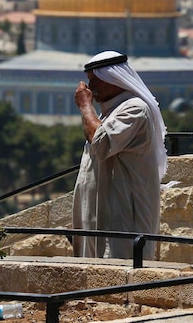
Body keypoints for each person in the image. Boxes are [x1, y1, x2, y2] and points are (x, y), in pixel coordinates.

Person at [72, 50, 167, 259]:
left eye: (95, 80)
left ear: (113, 78)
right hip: (99, 215)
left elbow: (101, 143)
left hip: (120, 218)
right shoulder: (109, 112)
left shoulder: (134, 110)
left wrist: (86, 106)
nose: (91, 87)